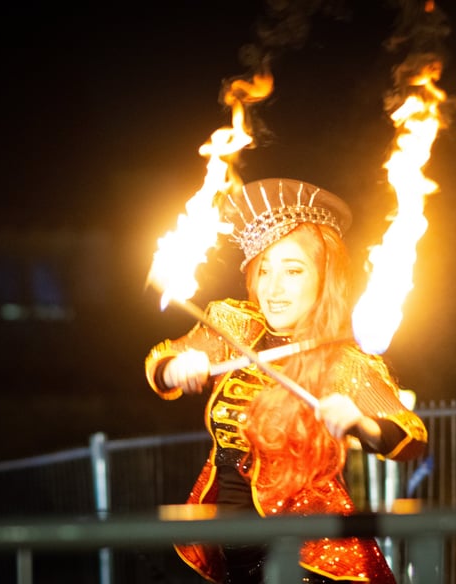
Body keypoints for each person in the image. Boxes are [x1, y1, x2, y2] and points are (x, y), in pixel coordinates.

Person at [145, 178, 428, 583]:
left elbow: (411, 437)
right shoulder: (234, 327)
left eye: (292, 271)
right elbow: (161, 359)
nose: (273, 289)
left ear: (323, 278)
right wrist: (178, 366)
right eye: (264, 271)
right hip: (229, 548)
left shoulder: (343, 360)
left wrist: (358, 423)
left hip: (305, 555)